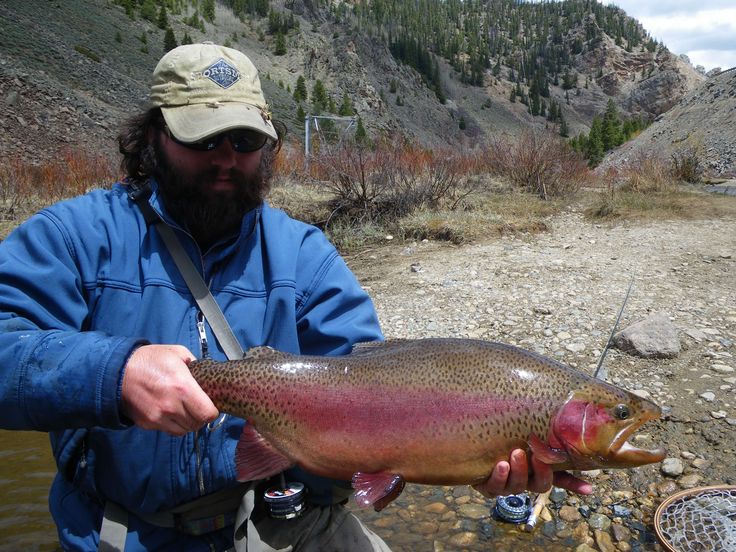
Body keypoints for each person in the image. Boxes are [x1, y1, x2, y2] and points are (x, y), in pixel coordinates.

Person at [0, 42, 589, 551]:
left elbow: (377, 386)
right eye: (202, 139)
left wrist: (466, 453)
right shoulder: (74, 236)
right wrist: (115, 373)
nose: (226, 158)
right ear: (153, 136)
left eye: (244, 139)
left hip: (278, 524)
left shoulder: (303, 254)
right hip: (123, 533)